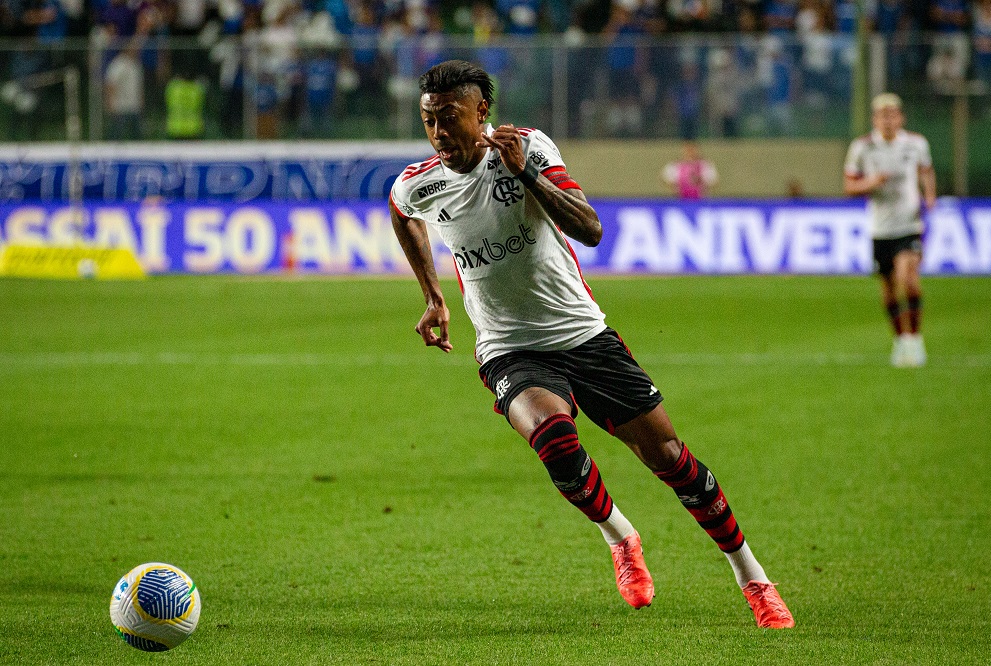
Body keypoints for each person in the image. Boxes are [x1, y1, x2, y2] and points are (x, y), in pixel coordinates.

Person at [388, 59, 795, 629]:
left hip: (583, 335)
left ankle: (752, 576)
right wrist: (433, 295)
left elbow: (591, 229)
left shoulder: (529, 149)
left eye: (449, 118)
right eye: (428, 120)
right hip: (508, 346)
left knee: (672, 460)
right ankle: (621, 537)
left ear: (482, 113)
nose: (438, 133)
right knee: (555, 440)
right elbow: (403, 213)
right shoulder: (419, 181)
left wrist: (525, 175)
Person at [844, 93, 937, 368]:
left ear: (901, 118)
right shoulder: (862, 148)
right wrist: (871, 182)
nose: (888, 120)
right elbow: (849, 186)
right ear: (875, 120)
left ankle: (915, 339)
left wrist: (929, 194)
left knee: (908, 279)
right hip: (880, 227)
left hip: (909, 223)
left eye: (893, 115)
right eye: (882, 116)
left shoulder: (916, 144)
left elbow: (926, 171)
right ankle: (900, 340)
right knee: (888, 288)